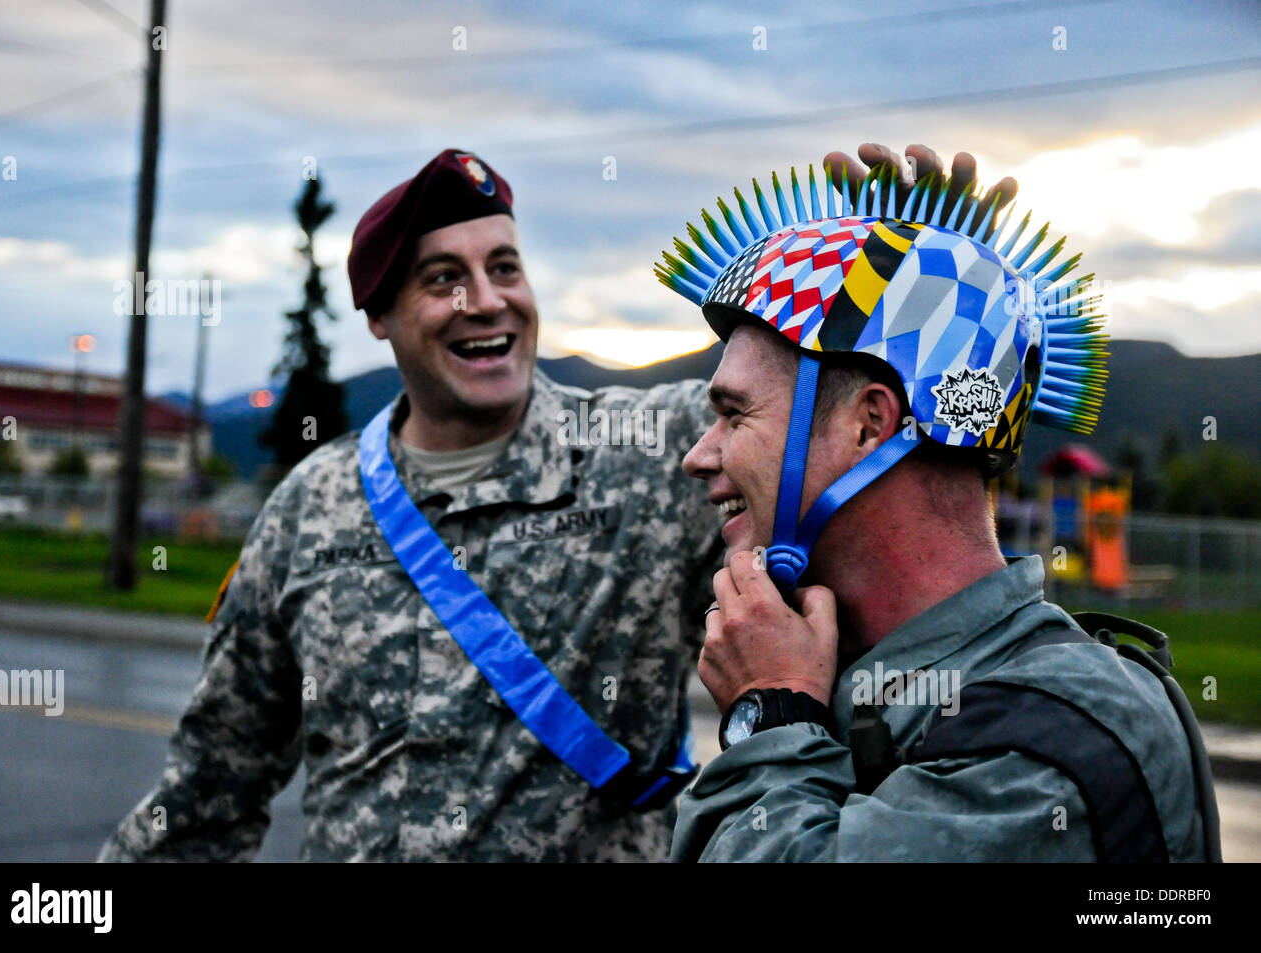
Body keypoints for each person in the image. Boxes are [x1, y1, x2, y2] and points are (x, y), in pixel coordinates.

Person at [99, 144, 1013, 862]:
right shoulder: (311, 508)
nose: (485, 301)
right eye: (441, 278)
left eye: (505, 265)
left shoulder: (659, 451)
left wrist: (938, 303)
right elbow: (213, 784)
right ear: (378, 317)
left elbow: (882, 468)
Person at [656, 161, 1218, 862]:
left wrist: (770, 718)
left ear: (869, 426)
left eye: (733, 415)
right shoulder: (862, 675)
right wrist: (894, 266)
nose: (698, 455)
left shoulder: (1056, 728)